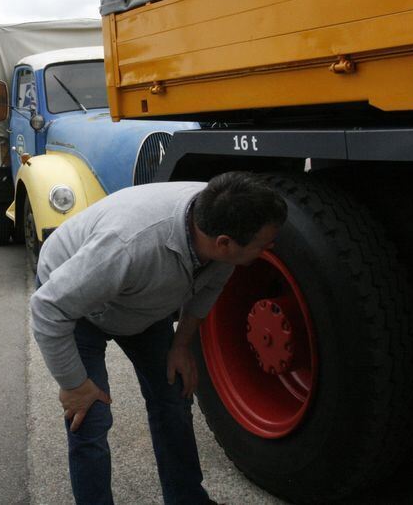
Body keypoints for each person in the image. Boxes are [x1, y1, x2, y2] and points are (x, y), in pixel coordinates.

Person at [30, 171, 286, 504]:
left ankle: (186, 498)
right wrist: (74, 385)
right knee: (89, 417)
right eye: (263, 245)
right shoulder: (127, 247)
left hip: (142, 299)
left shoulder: (217, 219)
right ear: (223, 243)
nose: (270, 249)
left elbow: (210, 286)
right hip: (76, 305)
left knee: (174, 397)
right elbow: (48, 308)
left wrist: (181, 345)